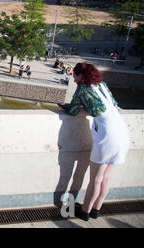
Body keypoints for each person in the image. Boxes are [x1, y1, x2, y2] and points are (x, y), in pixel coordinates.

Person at [58, 63, 131, 222]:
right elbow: (108, 106)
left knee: (96, 179)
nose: (74, 78)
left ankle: (84, 211)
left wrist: (67, 107)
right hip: (122, 132)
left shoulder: (83, 88)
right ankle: (96, 210)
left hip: (107, 136)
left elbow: (74, 110)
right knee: (105, 178)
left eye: (75, 75)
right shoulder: (102, 85)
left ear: (81, 76)